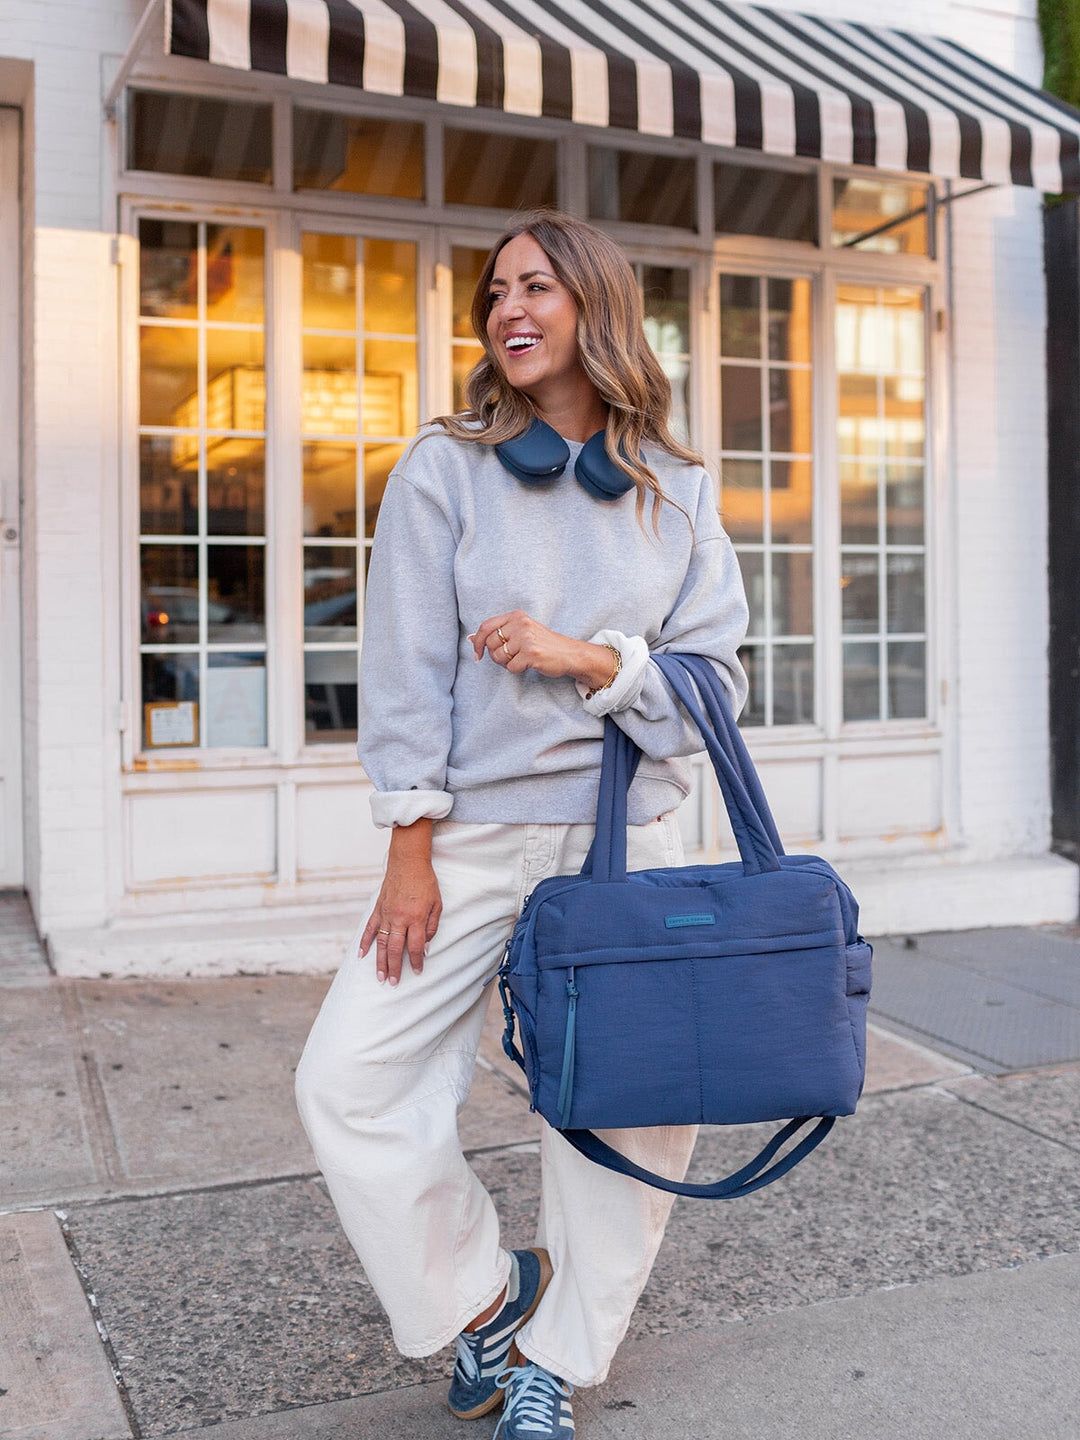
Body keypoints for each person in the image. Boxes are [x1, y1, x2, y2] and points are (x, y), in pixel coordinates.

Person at [295, 210, 749, 1439]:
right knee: (350, 1079)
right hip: (471, 840)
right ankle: (489, 1298)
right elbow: (402, 676)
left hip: (625, 846)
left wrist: (589, 660)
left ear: (595, 303)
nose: (510, 308)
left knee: (630, 1103)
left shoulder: (681, 489)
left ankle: (561, 1356)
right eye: (496, 290)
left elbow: (716, 691)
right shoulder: (445, 469)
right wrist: (409, 852)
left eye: (537, 285)